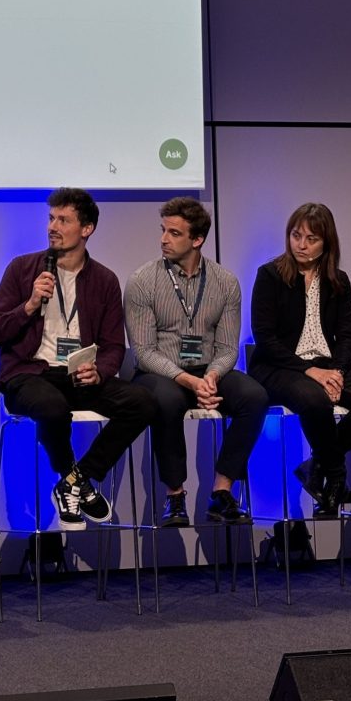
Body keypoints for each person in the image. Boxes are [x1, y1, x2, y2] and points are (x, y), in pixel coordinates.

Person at [0, 188, 155, 530]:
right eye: (51, 219)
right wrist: (30, 305)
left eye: (64, 220)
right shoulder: (22, 269)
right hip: (28, 375)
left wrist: (101, 371)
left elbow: (112, 346)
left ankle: (76, 481)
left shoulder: (104, 280)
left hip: (78, 375)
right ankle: (75, 479)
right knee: (52, 407)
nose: (53, 227)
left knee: (143, 402)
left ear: (86, 228)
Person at [125, 197, 267, 525]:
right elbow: (144, 352)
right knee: (167, 399)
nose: (163, 238)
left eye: (174, 233)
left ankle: (222, 491)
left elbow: (228, 347)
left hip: (207, 368)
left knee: (254, 396)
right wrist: (189, 380)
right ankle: (175, 496)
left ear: (197, 239)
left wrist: (213, 376)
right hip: (158, 371)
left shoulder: (225, 283)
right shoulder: (143, 281)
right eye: (163, 230)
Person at [249, 203, 351, 516]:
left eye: (311, 238)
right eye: (295, 235)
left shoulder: (338, 280)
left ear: (326, 242)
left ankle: (316, 464)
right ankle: (336, 476)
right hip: (279, 366)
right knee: (315, 400)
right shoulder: (270, 275)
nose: (301, 244)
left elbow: (348, 335)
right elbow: (265, 338)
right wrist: (310, 370)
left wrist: (338, 372)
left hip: (327, 365)